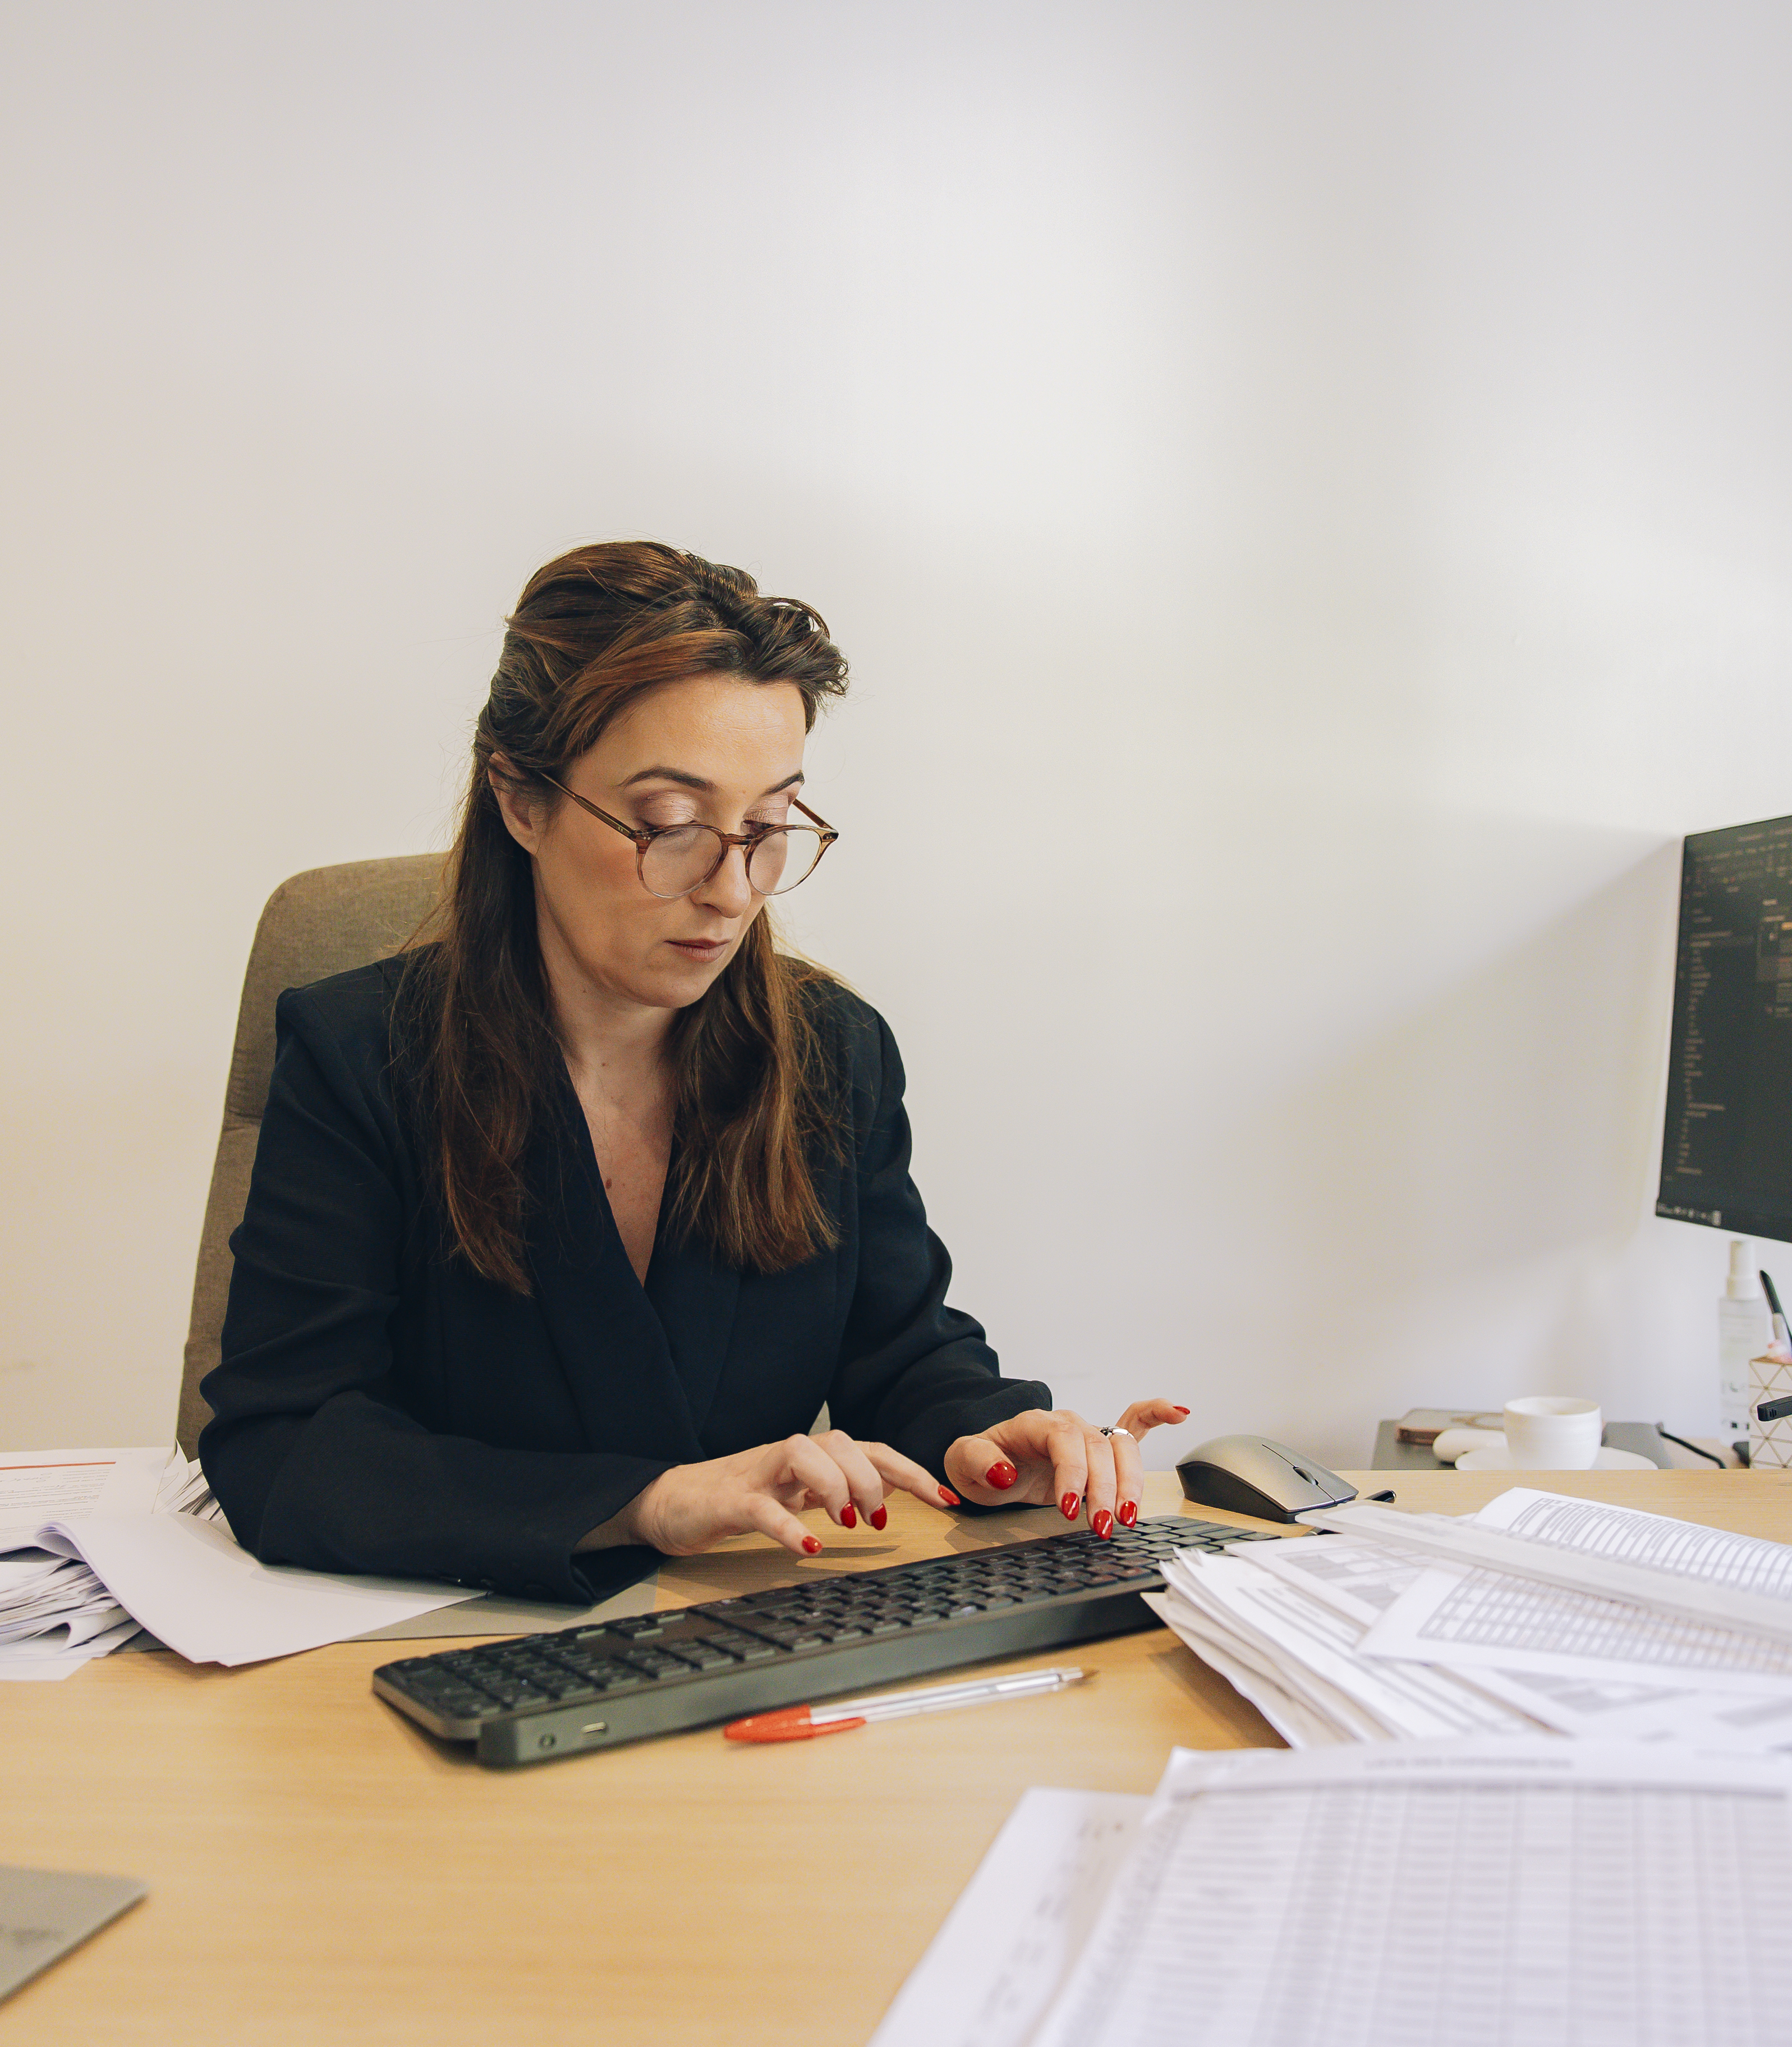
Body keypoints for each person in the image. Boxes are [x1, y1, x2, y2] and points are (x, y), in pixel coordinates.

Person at [199, 542, 1188, 1604]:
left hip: (739, 1641)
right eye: (672, 827)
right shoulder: (362, 1056)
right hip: (440, 1652)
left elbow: (900, 1352)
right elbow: (285, 1441)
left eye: (769, 827)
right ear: (520, 801)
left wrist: (990, 1439)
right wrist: (644, 1502)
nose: (733, 890)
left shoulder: (830, 1051)